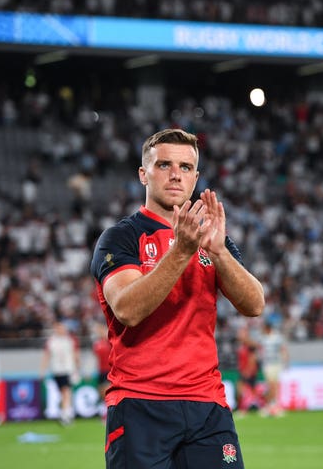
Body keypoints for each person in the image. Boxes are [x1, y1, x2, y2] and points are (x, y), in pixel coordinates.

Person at [90, 128, 264, 469]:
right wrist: (182, 252)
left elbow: (254, 304)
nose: (175, 174)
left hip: (207, 406)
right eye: (164, 164)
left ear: (196, 177)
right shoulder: (120, 237)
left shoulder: (211, 239)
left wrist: (220, 253)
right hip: (141, 403)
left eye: (185, 167)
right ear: (143, 173)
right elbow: (127, 309)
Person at [40, 319, 80, 426]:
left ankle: (65, 414)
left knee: (66, 390)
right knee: (63, 392)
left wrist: (77, 369)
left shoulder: (70, 340)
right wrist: (43, 370)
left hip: (67, 369)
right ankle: (66, 412)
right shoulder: (51, 341)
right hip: (56, 370)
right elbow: (46, 356)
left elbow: (75, 355)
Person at [258, 321, 288, 417]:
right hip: (268, 364)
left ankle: (273, 406)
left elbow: (282, 349)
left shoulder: (277, 337)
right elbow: (261, 351)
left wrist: (285, 361)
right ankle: (270, 406)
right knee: (271, 385)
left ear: (268, 328)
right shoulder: (263, 338)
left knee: (274, 386)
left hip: (276, 364)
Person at [91, 321, 112, 420]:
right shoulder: (97, 344)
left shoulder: (110, 342)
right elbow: (94, 358)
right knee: (101, 393)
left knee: (106, 392)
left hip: (109, 370)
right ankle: (105, 412)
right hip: (100, 371)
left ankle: (107, 414)